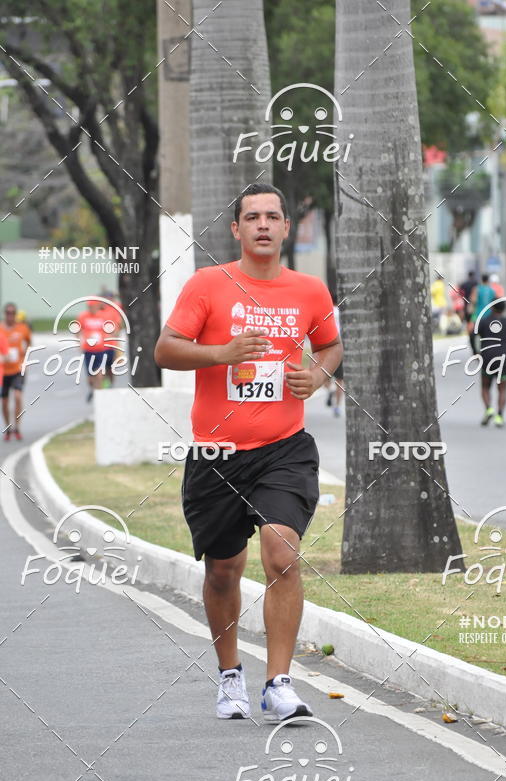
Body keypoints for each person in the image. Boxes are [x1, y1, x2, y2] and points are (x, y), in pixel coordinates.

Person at [154, 182, 343, 722]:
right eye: (252, 217)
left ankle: (279, 683)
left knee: (282, 553)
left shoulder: (309, 290)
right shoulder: (209, 285)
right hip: (217, 454)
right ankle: (230, 675)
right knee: (222, 570)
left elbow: (330, 344)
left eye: (273, 216)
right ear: (236, 229)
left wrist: (318, 375)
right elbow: (165, 350)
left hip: (284, 448)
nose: (263, 225)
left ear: (287, 227)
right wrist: (224, 351)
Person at [477, 300, 506, 428]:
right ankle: (499, 416)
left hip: (487, 356)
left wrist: (476, 352)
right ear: (504, 309)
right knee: (502, 389)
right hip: (504, 358)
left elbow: (475, 336)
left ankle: (489, 409)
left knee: (485, 386)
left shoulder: (484, 322)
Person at [0, 302, 32, 440]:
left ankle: (17, 427)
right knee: (5, 402)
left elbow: (29, 343)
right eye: (8, 313)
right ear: (4, 314)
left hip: (17, 368)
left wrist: (26, 357)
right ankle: (8, 428)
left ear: (16, 314)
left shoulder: (23, 328)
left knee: (18, 396)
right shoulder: (0, 329)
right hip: (3, 371)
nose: (10, 315)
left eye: (12, 313)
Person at [77, 299, 110, 401]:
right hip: (88, 350)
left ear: (97, 306)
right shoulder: (83, 316)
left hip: (101, 349)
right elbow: (77, 330)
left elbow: (110, 330)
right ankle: (94, 389)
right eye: (89, 306)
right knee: (91, 378)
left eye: (92, 306)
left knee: (99, 374)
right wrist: (79, 343)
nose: (90, 308)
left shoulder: (104, 316)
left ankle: (99, 397)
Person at [458, 270, 478, 352]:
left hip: (467, 307)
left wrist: (463, 297)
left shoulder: (464, 284)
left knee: (469, 325)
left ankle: (471, 340)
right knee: (476, 325)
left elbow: (459, 291)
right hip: (475, 308)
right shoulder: (476, 283)